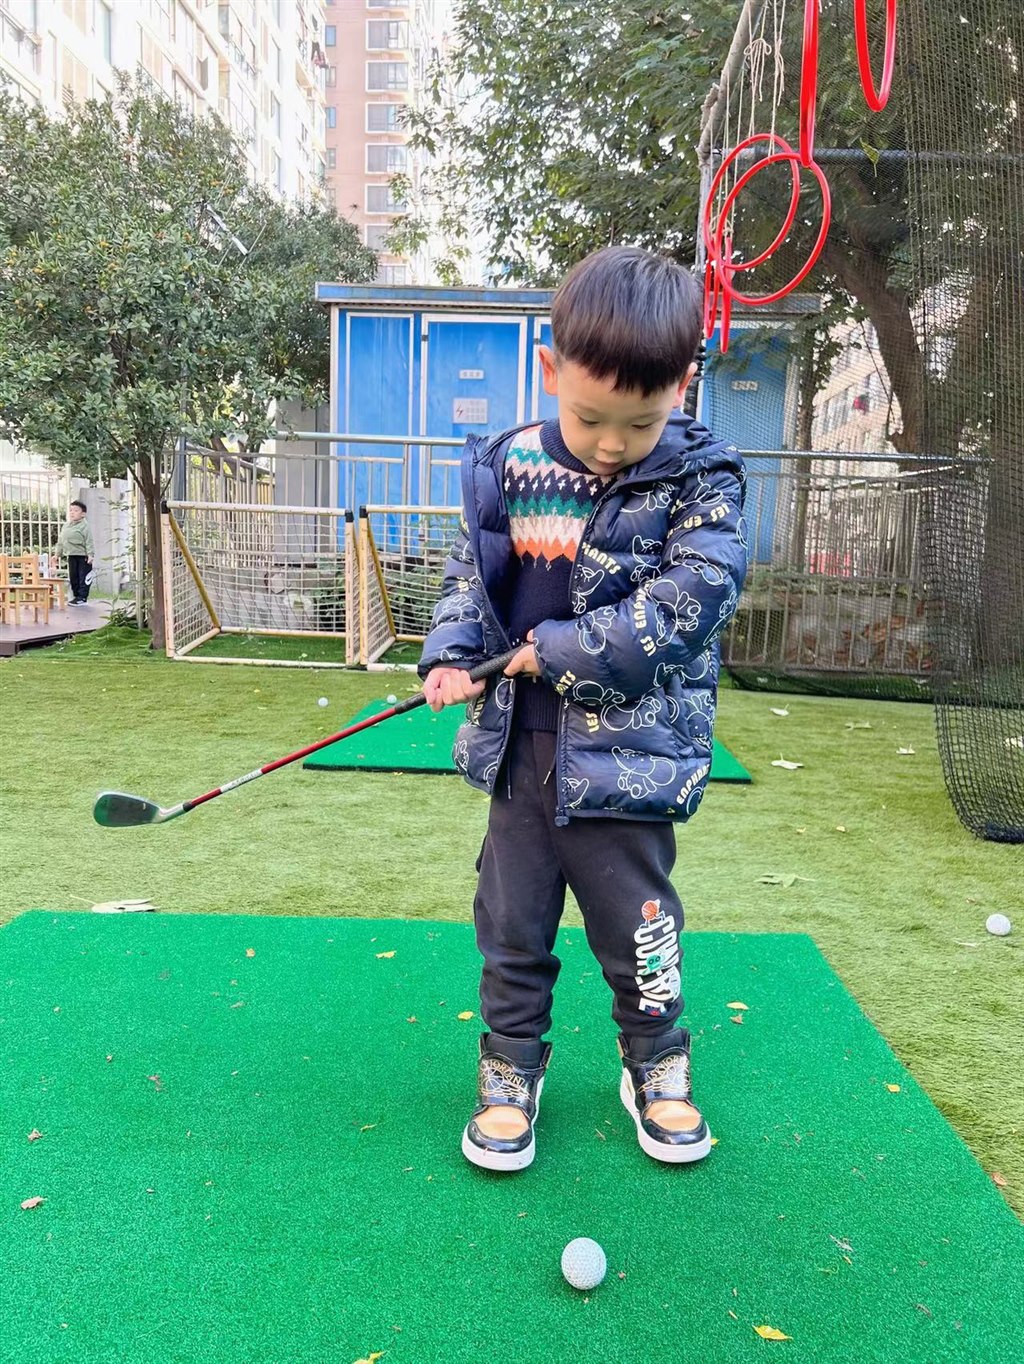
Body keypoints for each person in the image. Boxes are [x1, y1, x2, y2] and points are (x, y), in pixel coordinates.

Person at [418, 245, 748, 1172]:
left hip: (629, 757)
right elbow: (471, 577)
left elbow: (694, 598)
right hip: (519, 751)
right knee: (511, 925)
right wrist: (452, 653)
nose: (610, 444)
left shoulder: (702, 479)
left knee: (640, 929)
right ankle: (510, 1068)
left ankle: (656, 1061)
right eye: (590, 416)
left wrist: (557, 650)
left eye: (640, 422)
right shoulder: (508, 466)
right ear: (550, 370)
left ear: (681, 386)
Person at [53, 499, 94, 606]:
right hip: (71, 555)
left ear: (83, 514)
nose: (72, 513)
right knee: (73, 577)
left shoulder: (85, 526)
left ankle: (82, 597)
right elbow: (61, 541)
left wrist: (90, 555)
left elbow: (89, 541)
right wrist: (57, 554)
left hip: (82, 556)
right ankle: (76, 596)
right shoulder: (66, 525)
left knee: (83, 577)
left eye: (76, 510)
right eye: (71, 510)